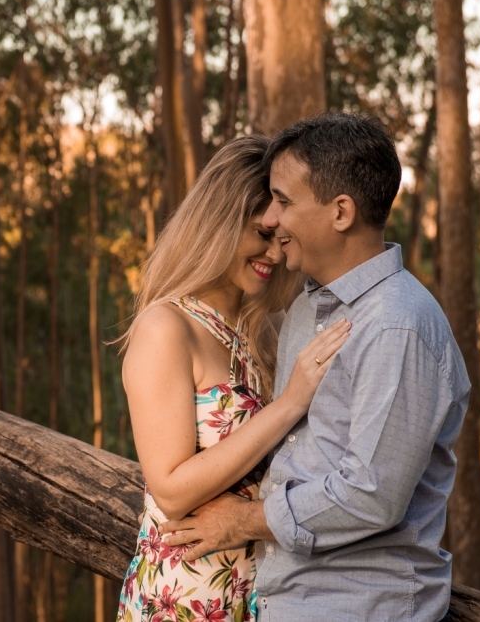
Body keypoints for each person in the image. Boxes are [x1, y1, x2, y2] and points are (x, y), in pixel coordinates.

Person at [160, 113, 471, 622]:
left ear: (341, 212)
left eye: (283, 201)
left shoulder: (398, 326)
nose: (274, 219)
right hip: (287, 599)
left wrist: (242, 522)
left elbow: (371, 494)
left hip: (360, 606)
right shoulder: (307, 307)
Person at [116, 135, 351, 622]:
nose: (275, 250)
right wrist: (290, 402)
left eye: (281, 234)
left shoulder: (265, 330)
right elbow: (172, 489)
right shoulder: (167, 327)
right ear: (220, 222)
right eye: (260, 232)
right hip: (186, 597)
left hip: (259, 591)